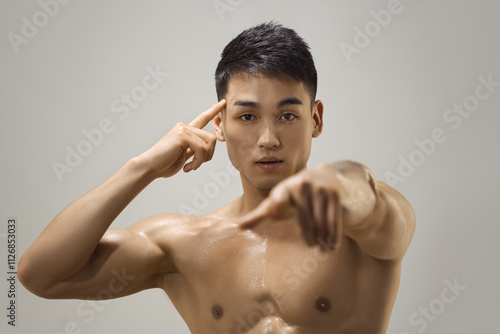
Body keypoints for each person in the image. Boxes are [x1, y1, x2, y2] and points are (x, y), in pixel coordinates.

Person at [19, 22, 415, 334]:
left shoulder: (361, 226)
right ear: (220, 125)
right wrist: (142, 168)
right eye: (247, 116)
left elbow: (375, 211)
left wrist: (344, 189)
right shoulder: (185, 246)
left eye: (287, 115)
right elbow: (41, 275)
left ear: (316, 119)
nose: (268, 138)